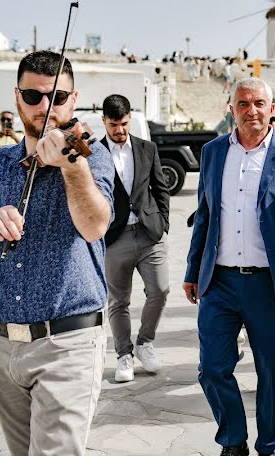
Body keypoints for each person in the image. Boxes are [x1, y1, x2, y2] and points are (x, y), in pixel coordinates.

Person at [0, 51, 114, 455]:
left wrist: (71, 163)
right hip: (2, 345)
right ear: (17, 98)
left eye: (58, 98)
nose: (45, 107)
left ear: (73, 101)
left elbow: (95, 225)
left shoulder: (94, 157)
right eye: (33, 96)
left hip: (68, 346)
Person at [183, 77, 275, 456]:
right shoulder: (212, 152)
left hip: (270, 285)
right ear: (231, 110)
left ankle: (269, 444)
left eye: (259, 103)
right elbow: (206, 214)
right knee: (212, 369)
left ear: (272, 108)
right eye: (243, 104)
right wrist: (193, 270)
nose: (252, 111)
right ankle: (233, 440)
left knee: (272, 372)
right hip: (220, 282)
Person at [100, 94, 171, 383]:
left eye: (124, 123)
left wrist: (163, 222)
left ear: (131, 118)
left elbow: (160, 187)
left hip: (149, 233)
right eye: (114, 124)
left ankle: (144, 343)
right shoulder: (94, 153)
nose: (119, 130)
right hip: (114, 237)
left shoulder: (147, 148)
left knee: (161, 290)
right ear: (104, 121)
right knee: (118, 301)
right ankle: (124, 355)